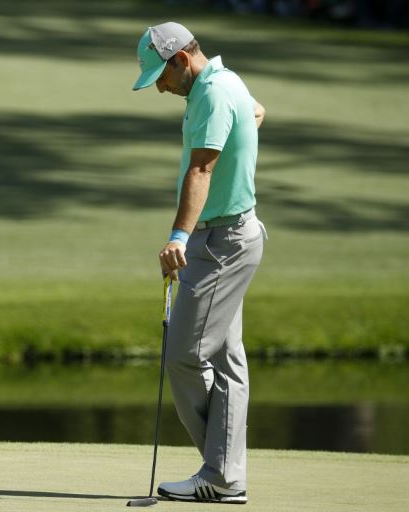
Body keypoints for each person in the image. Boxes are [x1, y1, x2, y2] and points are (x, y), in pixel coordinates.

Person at [132, 22, 267, 504]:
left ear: (181, 60)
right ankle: (225, 473)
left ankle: (223, 471)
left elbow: (202, 169)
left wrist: (177, 237)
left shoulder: (210, 93)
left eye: (161, 77)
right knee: (227, 360)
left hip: (220, 242)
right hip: (233, 234)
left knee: (185, 355)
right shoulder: (228, 82)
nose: (160, 87)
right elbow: (255, 111)